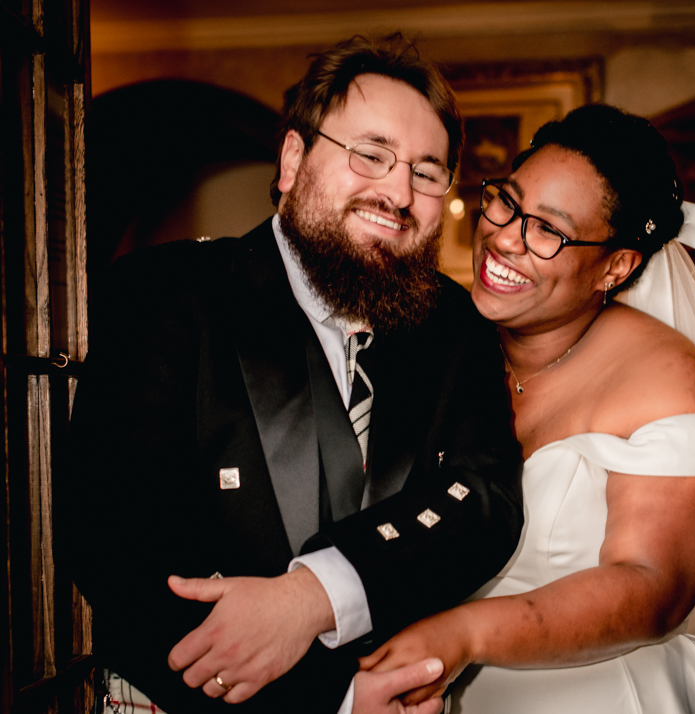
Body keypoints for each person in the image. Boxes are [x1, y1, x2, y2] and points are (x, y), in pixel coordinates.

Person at [356, 105, 695, 714]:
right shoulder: (435, 342)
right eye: (506, 203)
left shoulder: (669, 380)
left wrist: (461, 635)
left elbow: (653, 586)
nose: (505, 238)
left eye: (548, 231)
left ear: (617, 266)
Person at [62, 35, 523, 714]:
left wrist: (314, 595)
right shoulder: (162, 293)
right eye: (370, 154)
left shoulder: (457, 323)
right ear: (291, 160)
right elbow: (116, 545)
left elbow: (485, 501)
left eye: (427, 172)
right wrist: (338, 698)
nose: (398, 192)